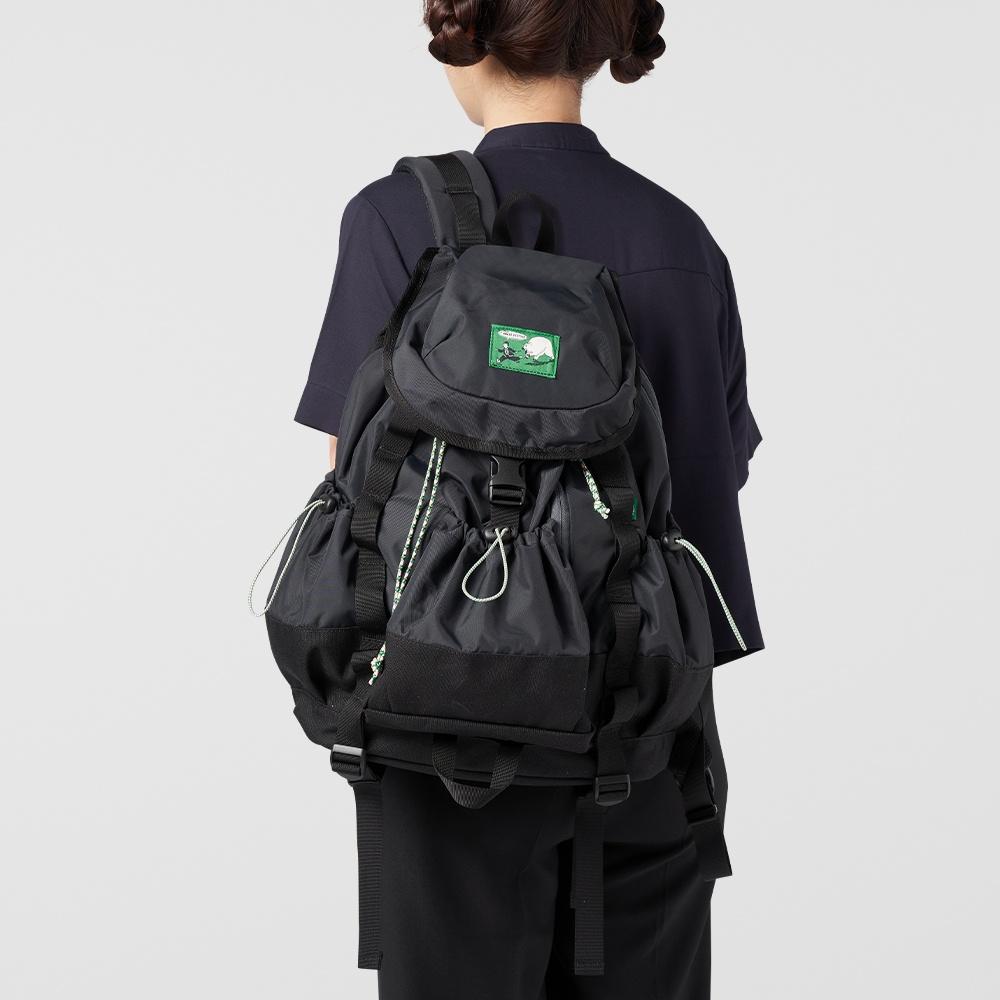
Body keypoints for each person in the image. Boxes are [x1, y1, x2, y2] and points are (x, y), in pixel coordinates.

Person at [294, 2, 763, 996]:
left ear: (463, 31)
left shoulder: (398, 217)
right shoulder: (679, 236)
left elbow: (356, 476)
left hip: (445, 712)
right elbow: (715, 474)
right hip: (648, 717)